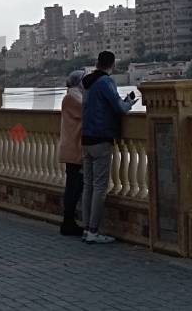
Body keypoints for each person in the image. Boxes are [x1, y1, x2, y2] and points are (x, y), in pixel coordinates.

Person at [81, 51, 137, 244]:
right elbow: (119, 107)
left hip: (86, 139)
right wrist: (129, 103)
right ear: (112, 65)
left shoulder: (86, 83)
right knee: (99, 187)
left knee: (88, 185)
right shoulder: (106, 82)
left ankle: (86, 228)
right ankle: (93, 231)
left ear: (97, 63)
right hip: (101, 138)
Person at [58, 70, 85, 236]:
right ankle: (68, 222)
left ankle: (69, 221)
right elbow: (86, 110)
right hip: (73, 148)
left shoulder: (74, 95)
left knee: (74, 186)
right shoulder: (72, 97)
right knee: (74, 187)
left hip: (73, 147)